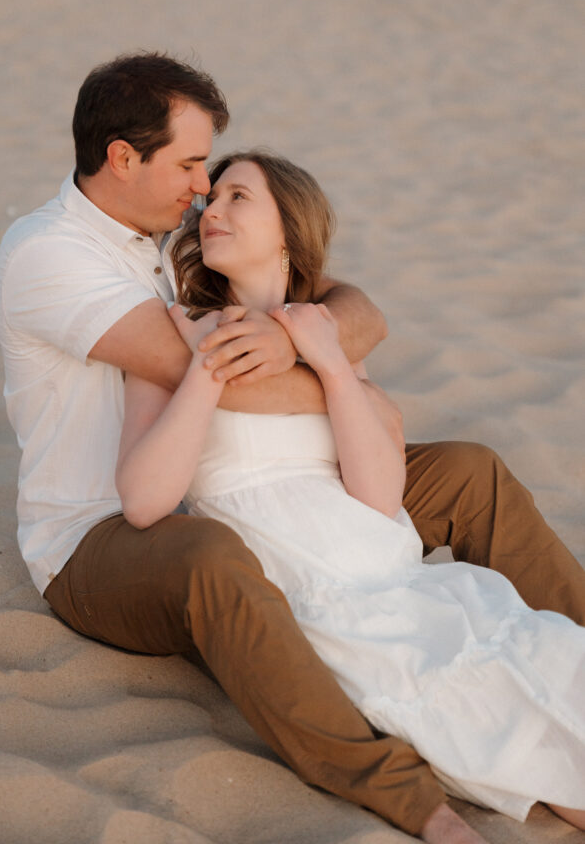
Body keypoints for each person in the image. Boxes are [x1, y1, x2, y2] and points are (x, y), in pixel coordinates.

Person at [0, 53, 585, 843]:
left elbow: (347, 303)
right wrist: (347, 385)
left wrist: (314, 344)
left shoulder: (174, 242)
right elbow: (215, 377)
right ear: (123, 158)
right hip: (98, 534)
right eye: (192, 166)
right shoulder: (51, 253)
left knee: (467, 470)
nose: (201, 191)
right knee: (215, 557)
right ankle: (407, 798)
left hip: (283, 490)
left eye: (217, 180)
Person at [116, 148, 585, 836]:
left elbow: (377, 498)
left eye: (239, 197)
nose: (211, 210)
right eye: (212, 199)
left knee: (543, 665)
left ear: (287, 231)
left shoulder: (322, 331)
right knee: (493, 719)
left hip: (382, 565)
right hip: (309, 590)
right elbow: (143, 501)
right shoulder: (175, 332)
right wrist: (209, 363)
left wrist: (333, 364)